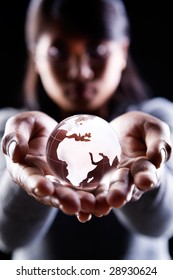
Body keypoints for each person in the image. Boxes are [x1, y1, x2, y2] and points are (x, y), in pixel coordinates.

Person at [0, 0, 173, 260]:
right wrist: (22, 184)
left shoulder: (157, 122)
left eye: (97, 50)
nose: (79, 72)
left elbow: (162, 225)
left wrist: (147, 181)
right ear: (35, 56)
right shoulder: (13, 132)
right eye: (58, 53)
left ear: (123, 52)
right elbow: (7, 236)